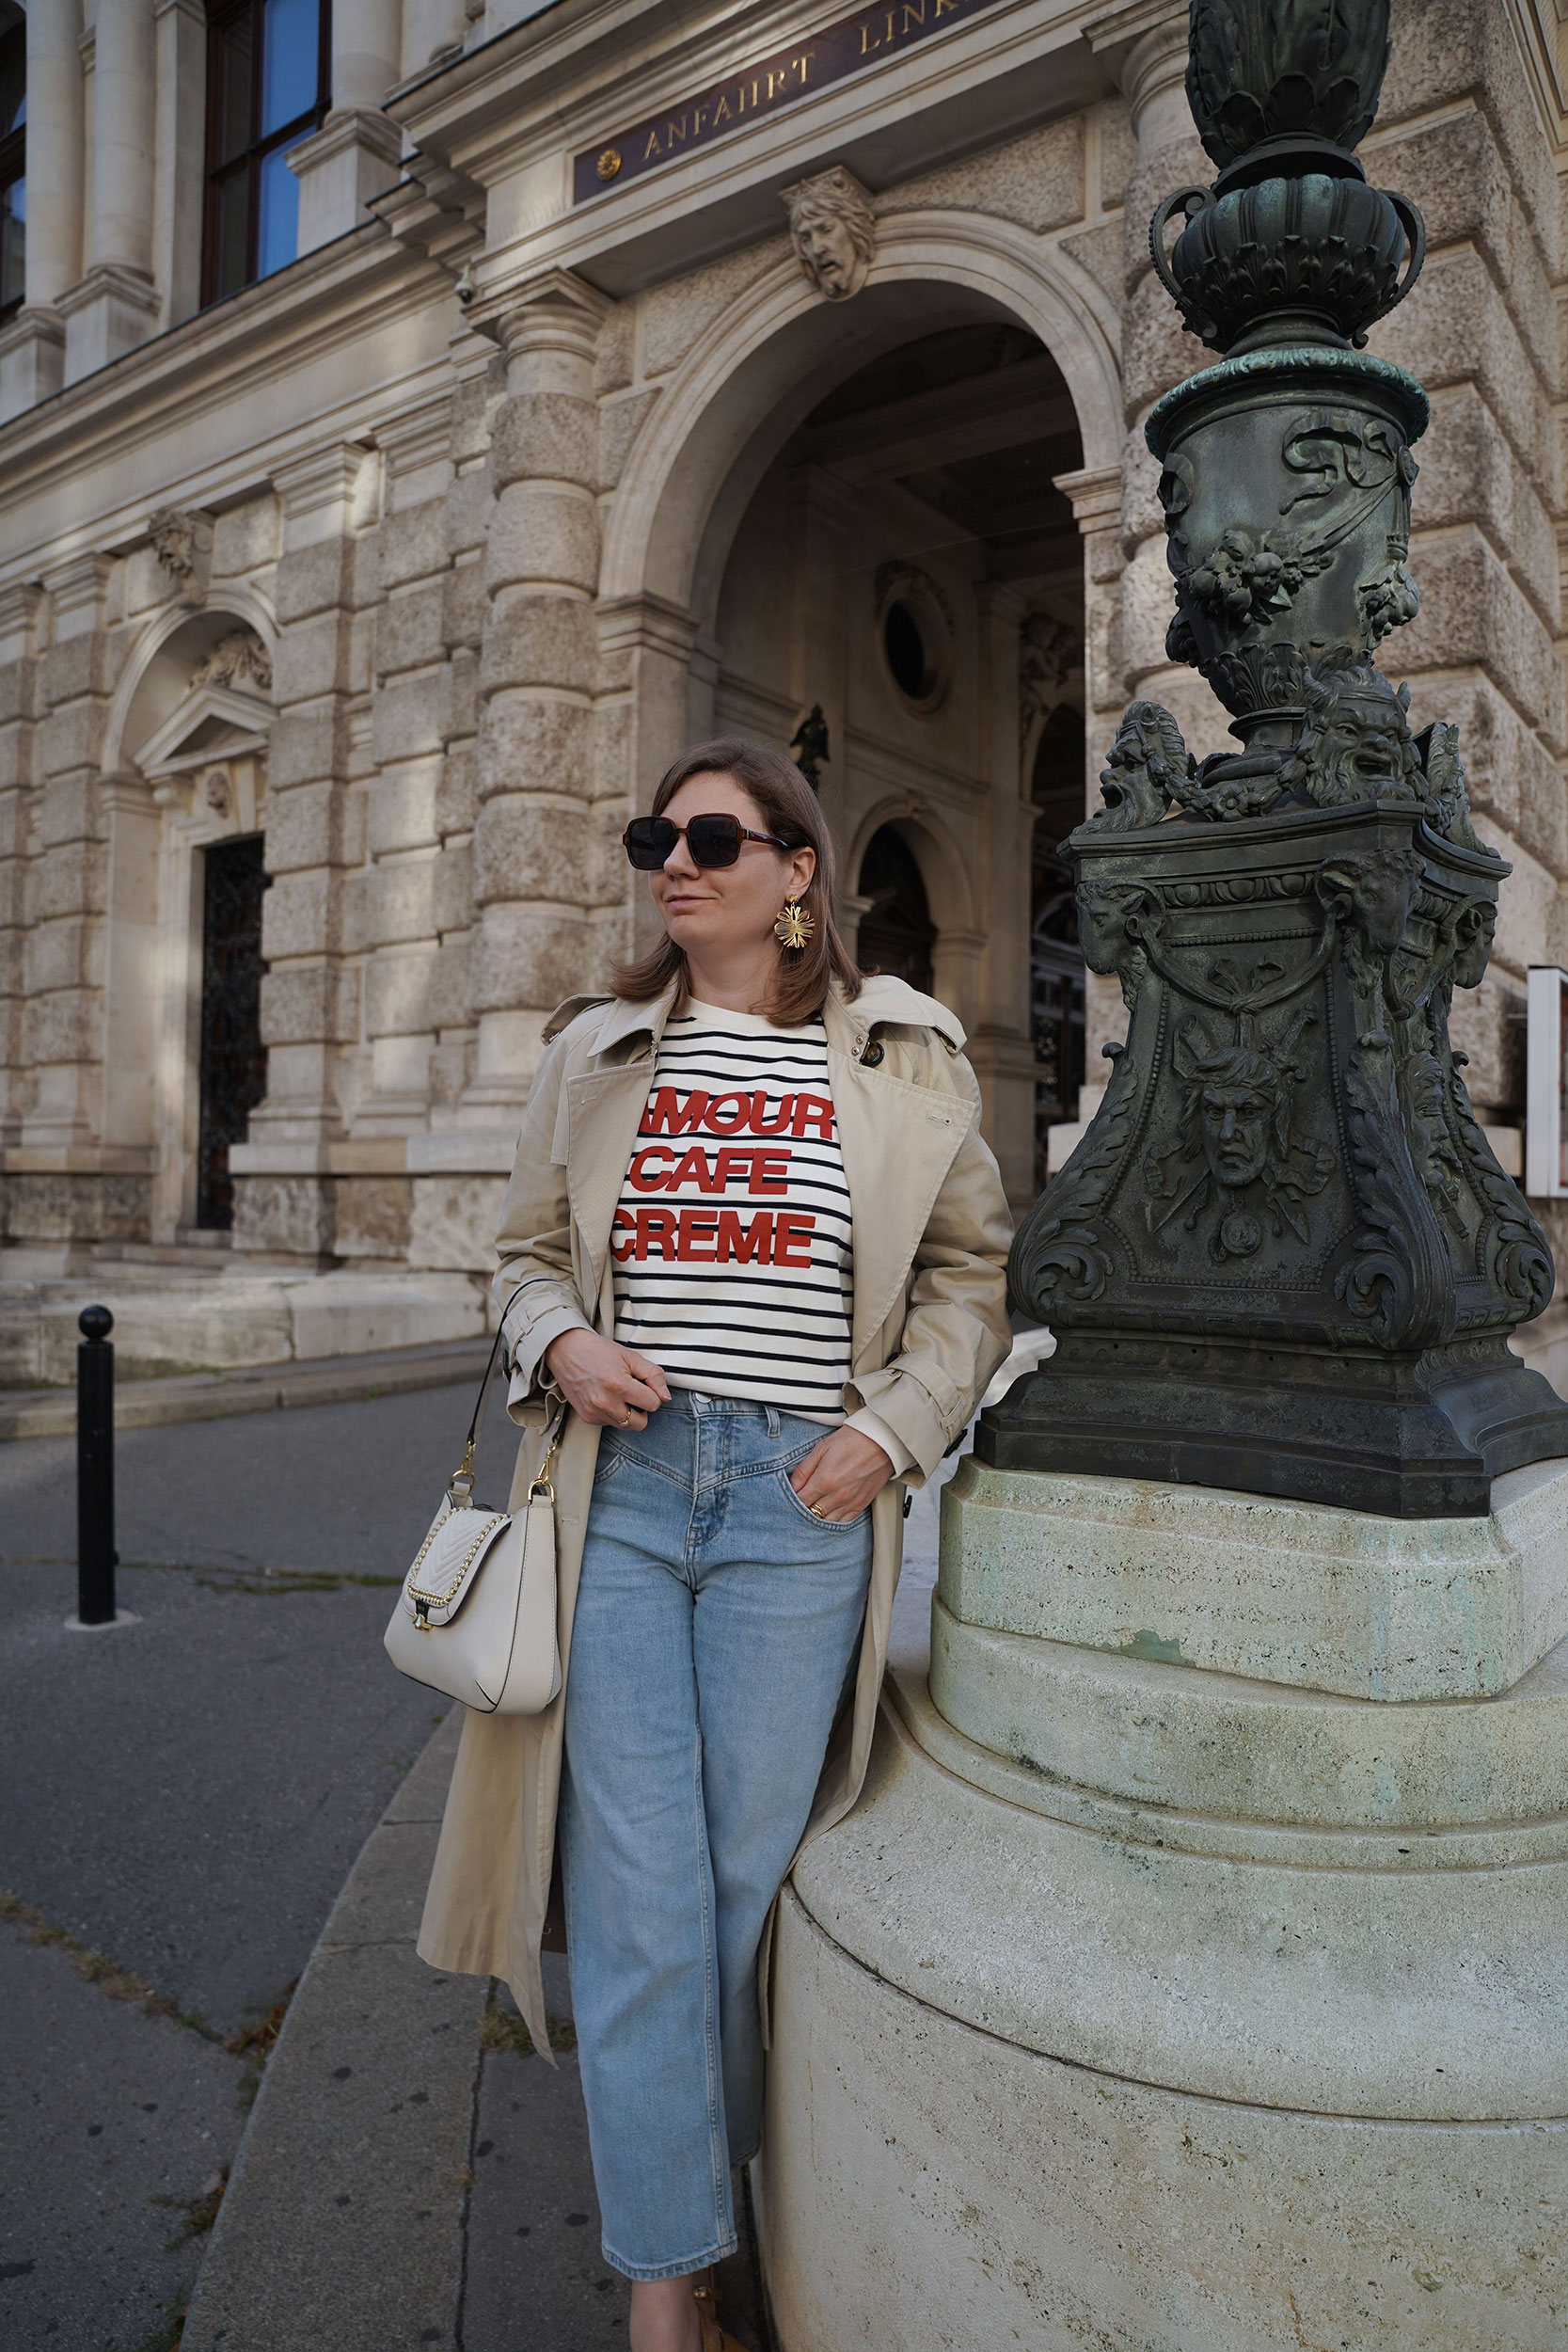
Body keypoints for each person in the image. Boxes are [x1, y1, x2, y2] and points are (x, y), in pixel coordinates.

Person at [418, 739, 1012, 2351]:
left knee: (742, 1891)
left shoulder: (901, 1058)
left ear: (796, 871)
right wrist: (562, 1347)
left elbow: (967, 1282)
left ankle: (724, 2207)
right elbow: (524, 1255)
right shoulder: (598, 1052)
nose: (673, 860)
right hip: (619, 1489)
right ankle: (667, 2287)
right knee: (637, 1895)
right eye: (653, 837)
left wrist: (885, 1433)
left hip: (797, 1508)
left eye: (711, 837)